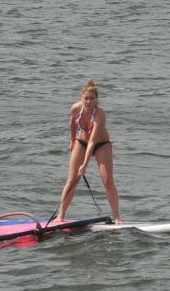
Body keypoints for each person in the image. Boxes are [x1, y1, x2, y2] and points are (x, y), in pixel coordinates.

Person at [51, 79, 122, 224]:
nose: (88, 102)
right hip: (81, 142)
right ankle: (61, 216)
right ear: (81, 99)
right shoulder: (76, 109)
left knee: (107, 181)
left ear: (96, 100)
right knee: (72, 180)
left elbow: (92, 142)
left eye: (92, 99)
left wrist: (84, 165)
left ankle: (117, 217)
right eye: (86, 98)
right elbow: (72, 122)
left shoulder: (100, 115)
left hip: (101, 144)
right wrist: (72, 141)